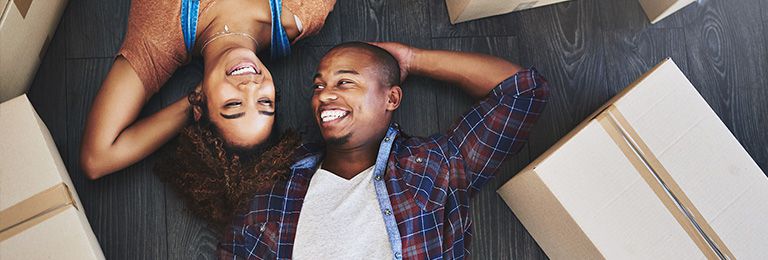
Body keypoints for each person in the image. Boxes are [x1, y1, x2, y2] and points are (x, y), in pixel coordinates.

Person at [218, 41, 550, 259]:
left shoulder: (432, 166)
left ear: (391, 98)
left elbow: (522, 92)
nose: (324, 95)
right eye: (319, 85)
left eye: (345, 82)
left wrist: (413, 60)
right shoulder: (276, 180)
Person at [79, 0, 336, 180]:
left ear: (200, 106)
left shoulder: (160, 36)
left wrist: (193, 101)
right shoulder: (306, 10)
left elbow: (98, 158)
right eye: (264, 102)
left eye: (233, 105)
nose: (249, 88)